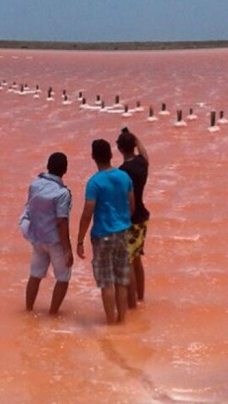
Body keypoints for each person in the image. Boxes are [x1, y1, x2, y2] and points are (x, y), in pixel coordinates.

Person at [76, 139, 135, 324]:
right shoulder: (125, 177)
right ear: (111, 155)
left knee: (107, 282)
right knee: (121, 279)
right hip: (124, 232)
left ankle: (110, 322)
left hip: (103, 235)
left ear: (93, 157)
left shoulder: (94, 183)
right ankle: (122, 321)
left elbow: (87, 213)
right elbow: (132, 204)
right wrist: (123, 220)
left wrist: (79, 240)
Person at [23, 152, 74, 315]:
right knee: (63, 278)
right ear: (65, 170)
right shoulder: (62, 193)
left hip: (37, 239)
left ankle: (29, 310)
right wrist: (68, 249)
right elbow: (61, 222)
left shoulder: (35, 185)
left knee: (35, 275)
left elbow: (30, 208)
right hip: (55, 242)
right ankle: (52, 314)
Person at [116, 127, 150, 309]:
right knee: (137, 258)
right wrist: (136, 137)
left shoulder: (123, 172)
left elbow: (125, 200)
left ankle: (133, 306)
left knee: (128, 260)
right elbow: (145, 153)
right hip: (143, 217)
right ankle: (140, 298)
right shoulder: (142, 163)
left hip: (130, 219)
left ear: (120, 149)